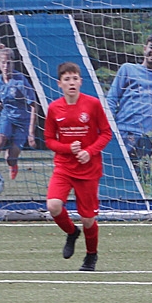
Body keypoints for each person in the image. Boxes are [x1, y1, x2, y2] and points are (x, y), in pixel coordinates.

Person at [43, 62, 112, 270]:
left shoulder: (93, 104)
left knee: (88, 219)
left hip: (88, 170)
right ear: (60, 84)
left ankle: (91, 256)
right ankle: (72, 232)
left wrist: (89, 152)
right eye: (67, 79)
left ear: (80, 81)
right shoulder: (54, 108)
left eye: (74, 78)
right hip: (64, 167)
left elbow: (106, 133)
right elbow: (49, 140)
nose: (71, 83)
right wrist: (67, 148)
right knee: (53, 205)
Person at [106, 34, 152, 167]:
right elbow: (111, 99)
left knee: (140, 175)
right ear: (144, 49)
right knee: (118, 171)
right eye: (151, 47)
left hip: (144, 137)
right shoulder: (128, 69)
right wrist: (109, 126)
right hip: (122, 131)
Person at [0, 46, 37, 182]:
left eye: (8, 63)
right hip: (6, 118)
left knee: (11, 158)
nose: (6, 66)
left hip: (23, 121)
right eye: (3, 63)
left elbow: (34, 105)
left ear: (13, 63)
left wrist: (31, 132)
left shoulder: (20, 81)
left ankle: (12, 163)